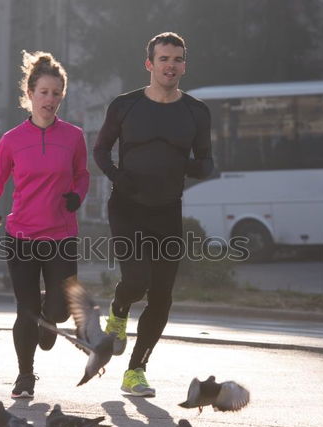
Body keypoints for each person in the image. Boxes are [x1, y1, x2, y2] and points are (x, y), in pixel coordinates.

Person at [93, 32, 217, 397]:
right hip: (127, 206)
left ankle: (135, 371)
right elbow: (100, 150)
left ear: (184, 66)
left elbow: (206, 159)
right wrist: (118, 177)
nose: (171, 65)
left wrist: (194, 168)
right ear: (150, 64)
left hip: (167, 210)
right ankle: (118, 312)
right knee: (137, 280)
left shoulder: (196, 111)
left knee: (162, 295)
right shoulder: (124, 105)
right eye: (163, 58)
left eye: (177, 59)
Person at [0, 51, 89, 399]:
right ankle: (26, 376)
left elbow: (82, 175)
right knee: (25, 311)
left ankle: (49, 315)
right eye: (44, 92)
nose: (50, 100)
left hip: (61, 236)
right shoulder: (11, 140)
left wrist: (77, 196)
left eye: (56, 94)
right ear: (29, 93)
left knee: (57, 309)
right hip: (22, 235)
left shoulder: (73, 136)